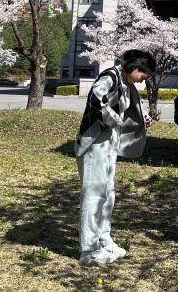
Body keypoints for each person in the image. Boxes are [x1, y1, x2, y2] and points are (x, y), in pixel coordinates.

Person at [74, 49, 155, 266]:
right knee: (94, 196)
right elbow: (95, 99)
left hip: (109, 146)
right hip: (94, 144)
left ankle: (105, 242)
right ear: (134, 68)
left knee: (107, 195)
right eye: (143, 75)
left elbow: (130, 109)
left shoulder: (126, 84)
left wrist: (144, 118)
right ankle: (89, 250)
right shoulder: (110, 76)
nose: (143, 81)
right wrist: (116, 120)